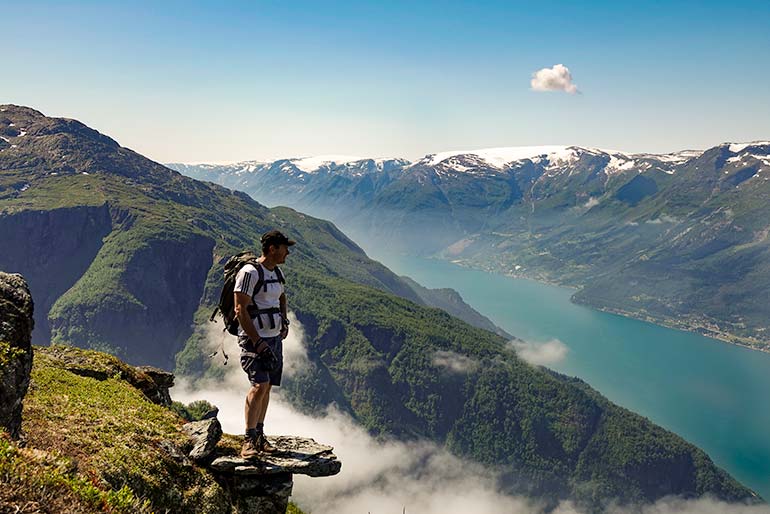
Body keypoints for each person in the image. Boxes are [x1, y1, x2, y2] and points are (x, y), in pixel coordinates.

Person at [233, 229, 295, 458]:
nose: (287, 252)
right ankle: (248, 439)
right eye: (284, 248)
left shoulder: (276, 272)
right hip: (255, 339)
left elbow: (281, 296)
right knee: (258, 385)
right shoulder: (250, 273)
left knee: (267, 386)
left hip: (274, 337)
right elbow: (240, 309)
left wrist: (284, 321)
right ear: (272, 249)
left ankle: (259, 436)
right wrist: (257, 341)